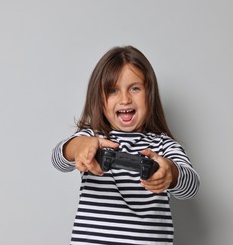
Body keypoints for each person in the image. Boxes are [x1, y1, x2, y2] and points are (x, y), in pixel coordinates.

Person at [51, 45, 200, 244]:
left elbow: (191, 187)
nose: (125, 99)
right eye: (113, 91)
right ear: (100, 100)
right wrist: (78, 147)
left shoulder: (163, 146)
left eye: (135, 88)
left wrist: (170, 173)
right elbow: (58, 159)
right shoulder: (92, 138)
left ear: (150, 94)